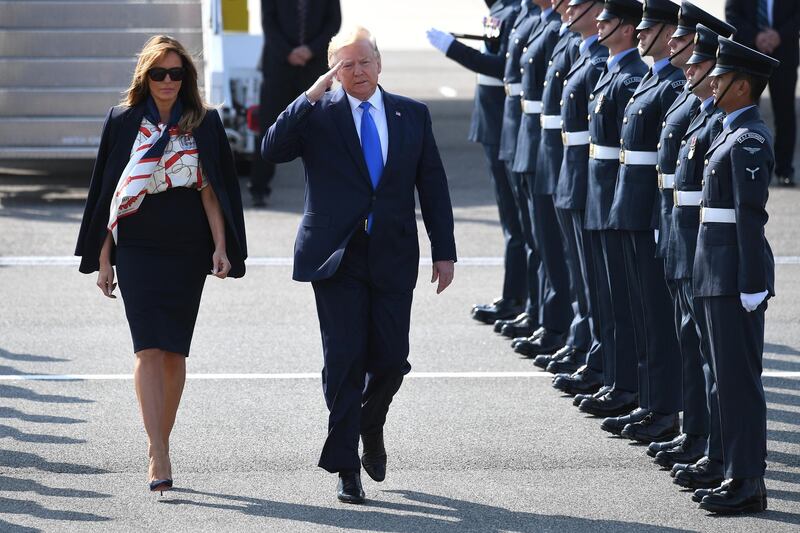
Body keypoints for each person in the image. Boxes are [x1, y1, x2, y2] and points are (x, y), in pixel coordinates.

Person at [262, 27, 457, 504]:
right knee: (345, 358)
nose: (357, 71)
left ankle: (370, 422)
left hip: (392, 252)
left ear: (379, 62)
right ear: (333, 70)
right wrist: (310, 95)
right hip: (336, 255)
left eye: (364, 61)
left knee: (391, 360)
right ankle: (346, 466)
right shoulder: (318, 115)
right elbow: (271, 148)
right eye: (345, 65)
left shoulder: (411, 114)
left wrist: (444, 249)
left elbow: (431, 183)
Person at [75, 35, 247, 494]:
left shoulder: (204, 123)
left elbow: (213, 191)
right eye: (159, 73)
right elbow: (110, 193)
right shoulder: (124, 119)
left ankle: (162, 437)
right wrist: (103, 257)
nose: (167, 81)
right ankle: (159, 450)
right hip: (137, 245)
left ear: (185, 78)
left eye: (176, 73)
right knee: (148, 347)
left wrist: (220, 248)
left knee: (175, 351)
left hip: (188, 247)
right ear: (145, 77)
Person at [692, 36, 778, 515]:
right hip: (714, 269)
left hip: (732, 276)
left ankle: (748, 481)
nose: (712, 82)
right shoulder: (729, 130)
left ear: (742, 86)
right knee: (723, 378)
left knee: (739, 381)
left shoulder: (747, 138)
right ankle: (731, 470)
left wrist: (750, 283)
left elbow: (750, 216)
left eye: (720, 78)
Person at [650, 8, 735, 473]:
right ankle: (698, 437)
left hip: (703, 246)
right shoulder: (695, 108)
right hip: (682, 238)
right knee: (690, 342)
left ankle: (715, 449)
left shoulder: (721, 122)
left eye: (699, 66)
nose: (686, 70)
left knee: (710, 356)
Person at [601, 0, 683, 442]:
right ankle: (649, 403)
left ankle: (664, 410)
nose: (645, 36)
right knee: (641, 311)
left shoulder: (670, 84)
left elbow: (665, 165)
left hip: (648, 210)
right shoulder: (654, 79)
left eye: (653, 29)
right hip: (628, 206)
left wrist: (656, 217)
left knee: (655, 314)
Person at [557, 0, 646, 404]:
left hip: (610, 193)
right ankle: (610, 372)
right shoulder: (608, 67)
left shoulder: (627, 77)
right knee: (600, 291)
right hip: (592, 187)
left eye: (608, 20)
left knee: (616, 297)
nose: (599, 24)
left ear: (626, 29)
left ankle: (621, 380)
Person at [427, 1, 529, 327]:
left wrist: (453, 48)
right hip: (493, 123)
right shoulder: (503, 9)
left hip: (503, 124)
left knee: (517, 223)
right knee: (512, 222)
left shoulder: (513, 11)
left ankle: (518, 298)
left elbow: (501, 66)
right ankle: (517, 295)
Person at [511, 0, 575, 360]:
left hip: (554, 152)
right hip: (538, 143)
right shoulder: (548, 24)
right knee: (544, 243)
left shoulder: (564, 33)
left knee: (556, 248)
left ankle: (558, 325)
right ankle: (548, 318)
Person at [251, 0, 342, 206]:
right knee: (269, 125)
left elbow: (333, 23)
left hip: (315, 64)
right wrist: (288, 52)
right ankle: (259, 188)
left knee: (322, 128)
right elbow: (269, 22)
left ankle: (329, 187)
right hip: (279, 65)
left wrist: (310, 49)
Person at [725, 0, 799, 187]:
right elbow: (732, 13)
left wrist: (779, 35)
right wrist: (756, 37)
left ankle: (784, 170)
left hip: (784, 55)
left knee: (785, 114)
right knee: (744, 114)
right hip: (747, 55)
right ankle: (745, 164)